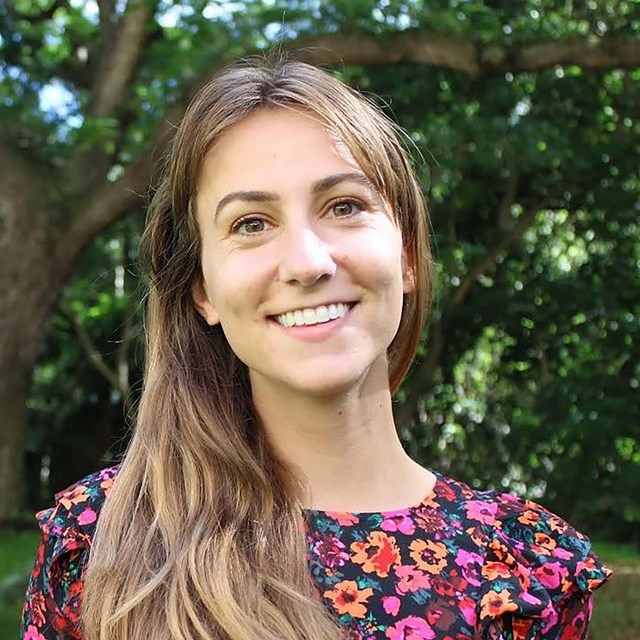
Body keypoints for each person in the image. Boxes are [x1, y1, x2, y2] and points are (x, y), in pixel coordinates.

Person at [21, 57, 610, 640]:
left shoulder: (524, 571)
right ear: (203, 290)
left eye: (344, 207)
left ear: (406, 255)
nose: (307, 263)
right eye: (251, 223)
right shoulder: (101, 542)